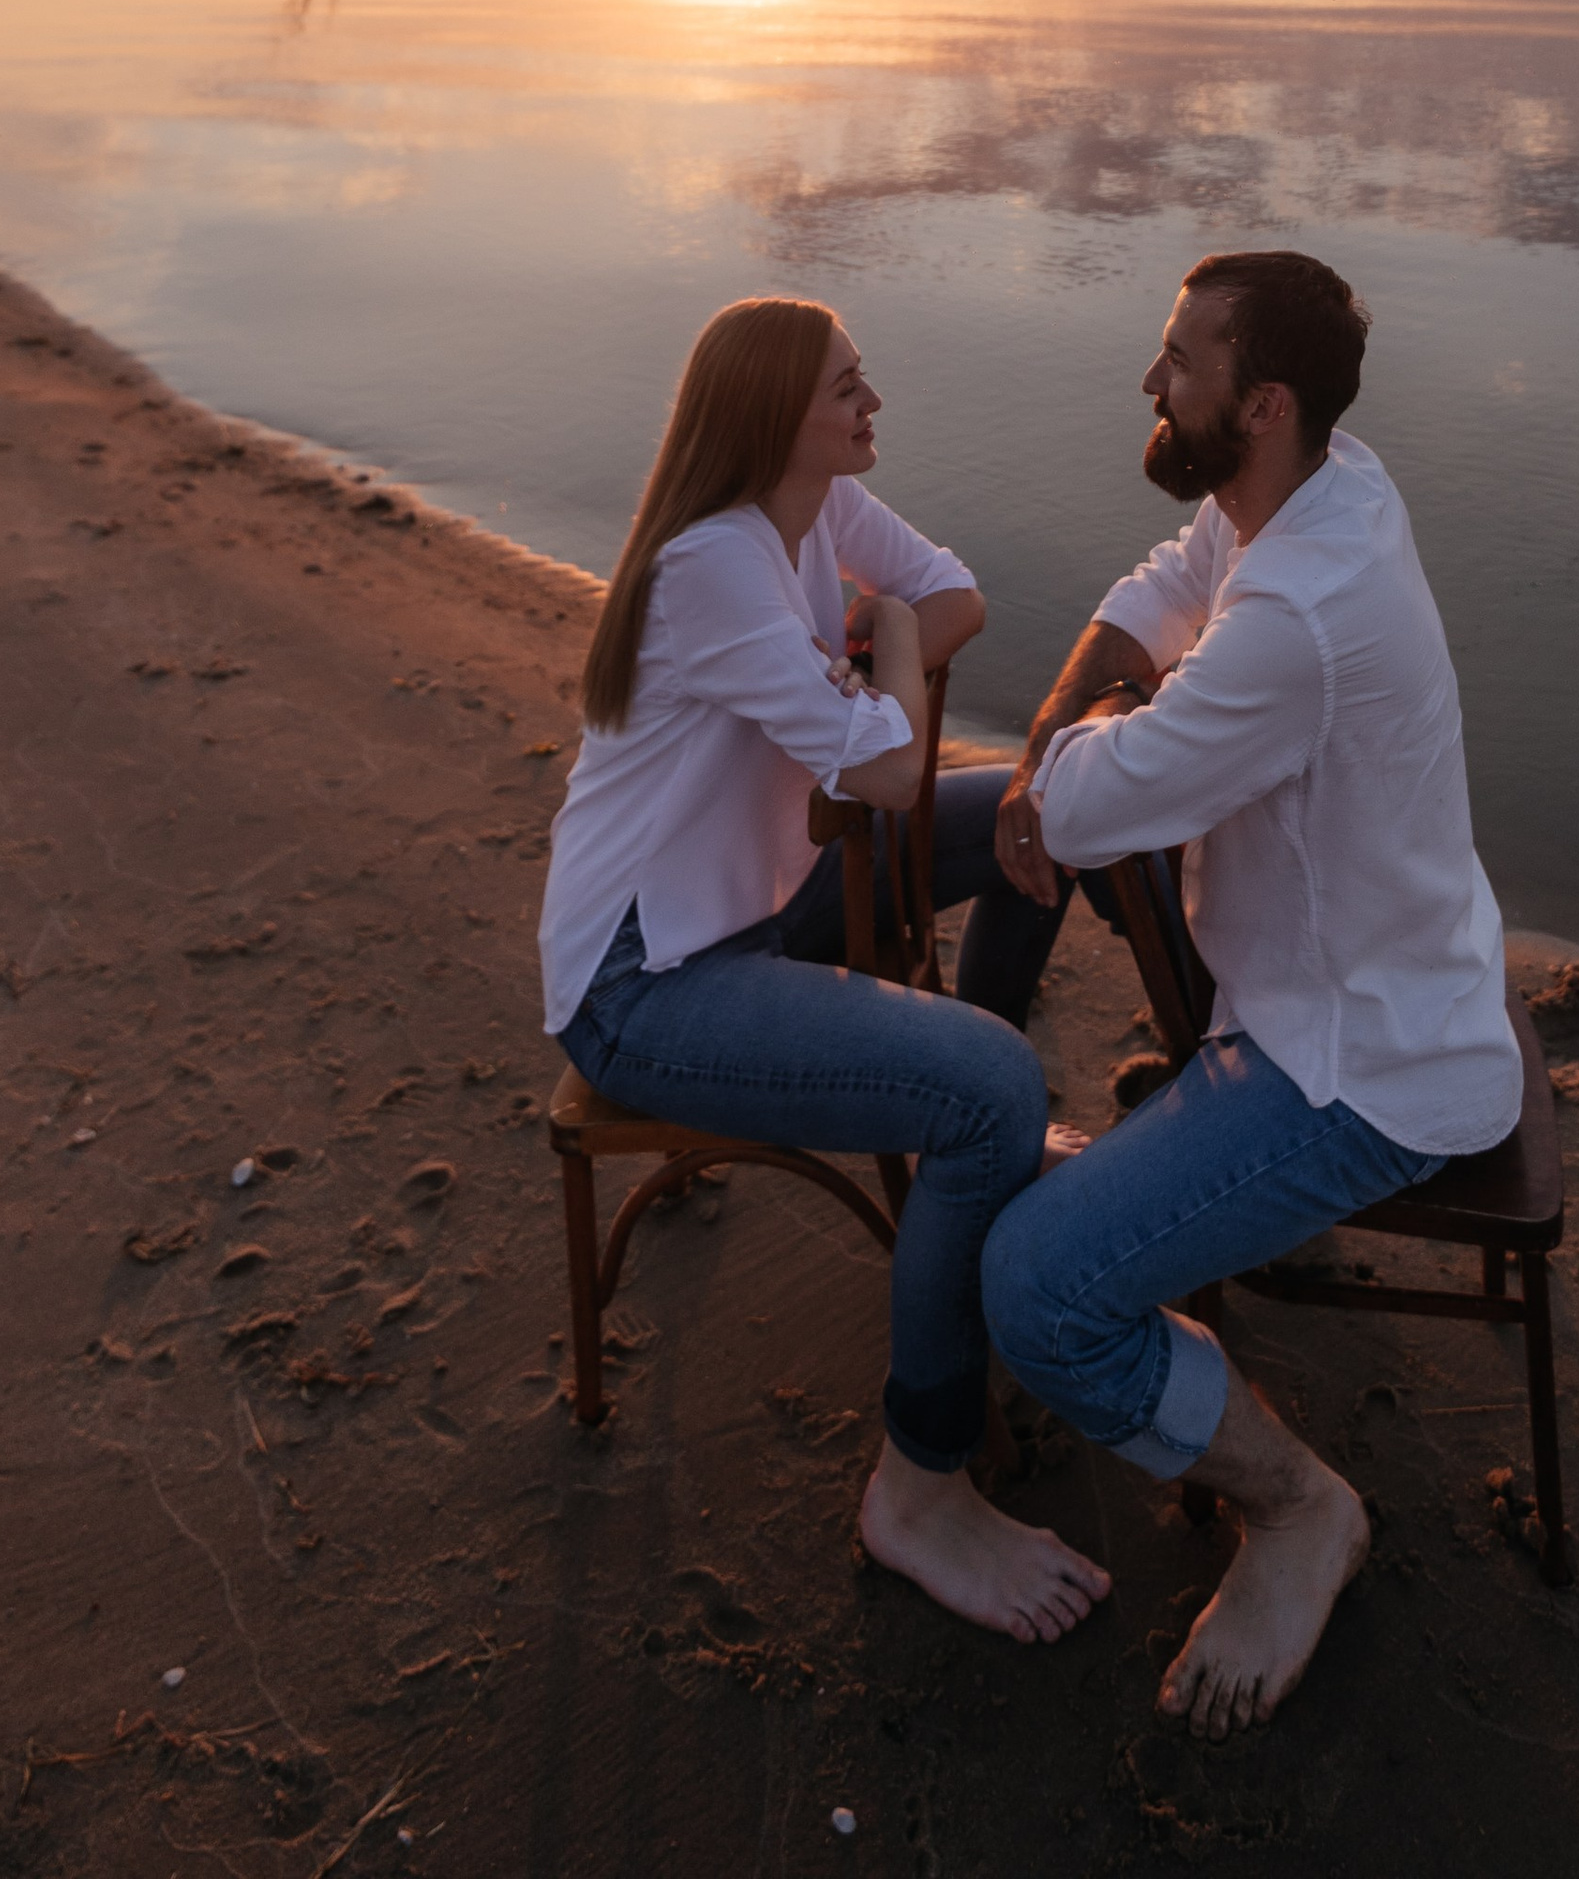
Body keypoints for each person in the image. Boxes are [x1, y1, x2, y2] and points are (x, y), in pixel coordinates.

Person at [981, 250, 1520, 1739]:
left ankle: (1299, 1511)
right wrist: (1052, 733)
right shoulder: (1322, 488)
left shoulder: (1299, 615)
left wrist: (1055, 774)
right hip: (1361, 983)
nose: (1151, 382)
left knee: (1035, 1293)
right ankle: (1149, 1185)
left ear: (1261, 402)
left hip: (1356, 1072)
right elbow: (1159, 589)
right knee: (1077, 808)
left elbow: (1089, 813)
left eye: (1179, 362)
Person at [539, 293, 1110, 1646]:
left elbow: (960, 594)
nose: (874, 406)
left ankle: (965, 1111)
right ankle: (918, 1489)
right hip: (645, 982)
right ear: (773, 415)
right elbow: (899, 766)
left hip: (762, 901)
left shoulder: (817, 516)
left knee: (1057, 806)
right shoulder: (716, 564)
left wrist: (876, 665)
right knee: (985, 1086)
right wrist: (890, 657)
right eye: (848, 389)